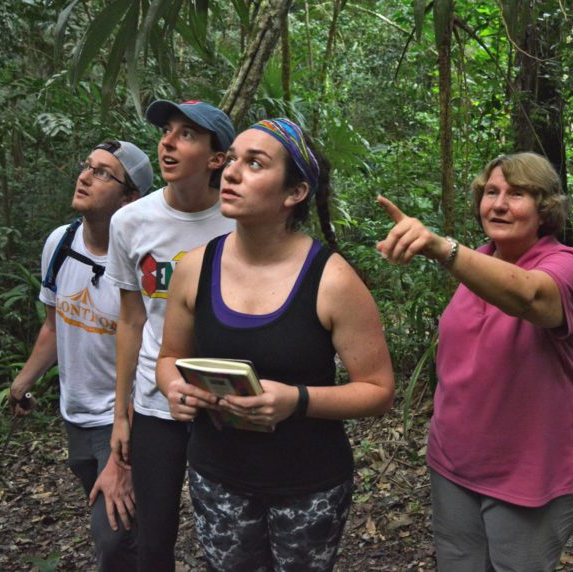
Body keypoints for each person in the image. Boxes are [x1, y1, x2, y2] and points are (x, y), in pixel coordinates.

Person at [156, 118, 395, 572]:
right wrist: (174, 387)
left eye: (255, 163)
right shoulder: (194, 268)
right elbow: (169, 358)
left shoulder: (333, 279)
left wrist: (297, 400)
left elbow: (379, 390)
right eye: (231, 160)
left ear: (294, 193)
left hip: (308, 483)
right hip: (216, 475)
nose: (230, 172)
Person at [376, 152, 573, 572]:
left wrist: (442, 248)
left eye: (516, 194)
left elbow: (529, 296)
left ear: (544, 208)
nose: (498, 204)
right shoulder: (478, 261)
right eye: (491, 192)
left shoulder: (568, 266)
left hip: (533, 471)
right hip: (454, 463)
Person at [10, 139, 153, 571]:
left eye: (103, 173)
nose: (85, 176)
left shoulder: (141, 264)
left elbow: (153, 354)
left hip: (121, 420)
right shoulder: (60, 243)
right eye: (87, 166)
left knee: (110, 540)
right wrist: (23, 382)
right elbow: (55, 325)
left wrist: (125, 448)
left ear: (131, 198)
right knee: (127, 527)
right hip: (74, 414)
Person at [107, 99, 236, 572]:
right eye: (166, 130)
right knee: (153, 538)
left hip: (222, 399)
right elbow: (130, 321)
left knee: (228, 536)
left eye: (187, 134)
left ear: (217, 158)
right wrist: (121, 417)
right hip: (155, 400)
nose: (167, 142)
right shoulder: (129, 222)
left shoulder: (238, 218)